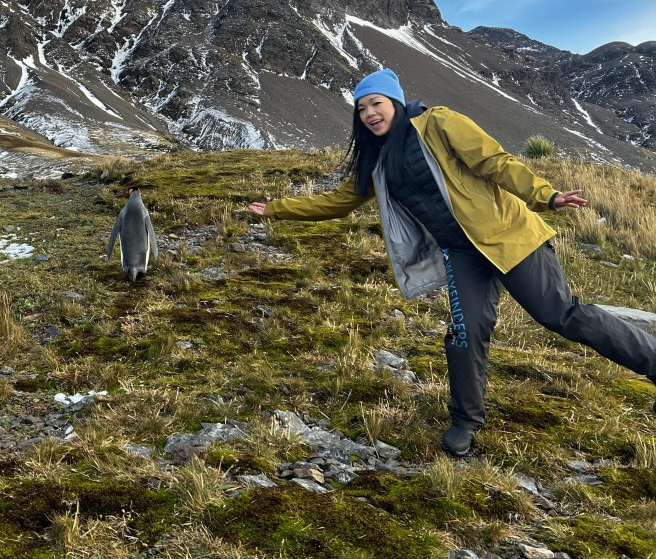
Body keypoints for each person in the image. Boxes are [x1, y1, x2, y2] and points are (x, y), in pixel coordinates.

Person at [249, 68, 656, 456]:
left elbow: (494, 161)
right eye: (361, 108)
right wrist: (278, 209)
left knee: (560, 315)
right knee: (465, 331)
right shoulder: (376, 157)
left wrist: (546, 195)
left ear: (395, 101)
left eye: (376, 103)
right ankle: (466, 420)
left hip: (509, 237)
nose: (370, 114)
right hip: (462, 253)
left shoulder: (438, 123)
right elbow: (340, 201)